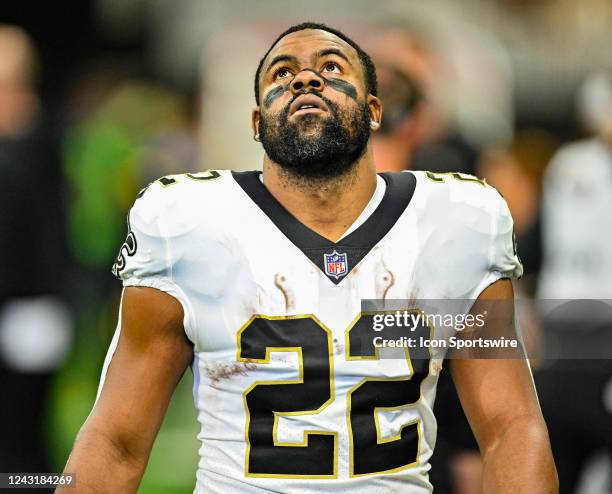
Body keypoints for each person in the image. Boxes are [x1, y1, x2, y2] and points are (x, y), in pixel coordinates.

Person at [59, 22, 557, 493]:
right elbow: (116, 440)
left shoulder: (457, 221)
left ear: (374, 111)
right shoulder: (186, 225)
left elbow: (509, 428)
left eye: (333, 67)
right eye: (281, 73)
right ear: (257, 123)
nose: (306, 77)